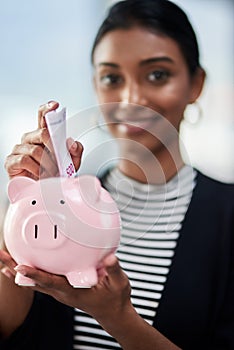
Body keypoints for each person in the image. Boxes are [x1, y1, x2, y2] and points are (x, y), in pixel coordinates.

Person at [0, 0, 233, 349]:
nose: (131, 98)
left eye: (157, 74)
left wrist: (118, 319)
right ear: (96, 86)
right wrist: (20, 212)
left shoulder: (227, 219)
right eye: (112, 78)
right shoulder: (60, 208)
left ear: (195, 84)